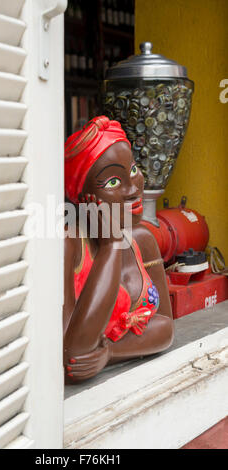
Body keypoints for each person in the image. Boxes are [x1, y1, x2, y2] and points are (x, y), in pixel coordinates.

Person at [64, 116, 174, 383]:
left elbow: (166, 326)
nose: (132, 189)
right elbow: (74, 353)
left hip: (148, 383)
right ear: (82, 197)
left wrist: (110, 352)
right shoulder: (70, 244)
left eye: (133, 170)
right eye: (112, 182)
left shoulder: (142, 239)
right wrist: (111, 246)